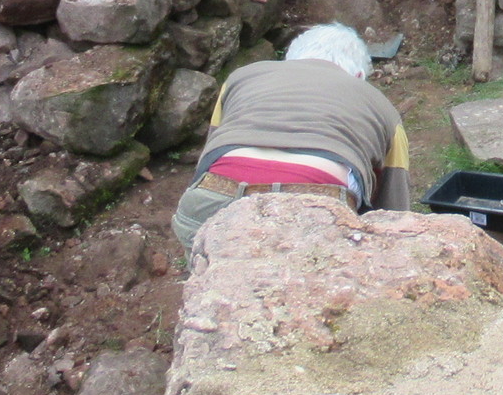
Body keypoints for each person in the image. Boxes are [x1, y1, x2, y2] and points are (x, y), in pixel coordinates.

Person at [171, 23, 412, 253]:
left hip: (213, 191)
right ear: (358, 75)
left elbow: (212, 149)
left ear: (289, 61)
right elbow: (394, 205)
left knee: (210, 275)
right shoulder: (382, 107)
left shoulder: (241, 77)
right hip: (317, 198)